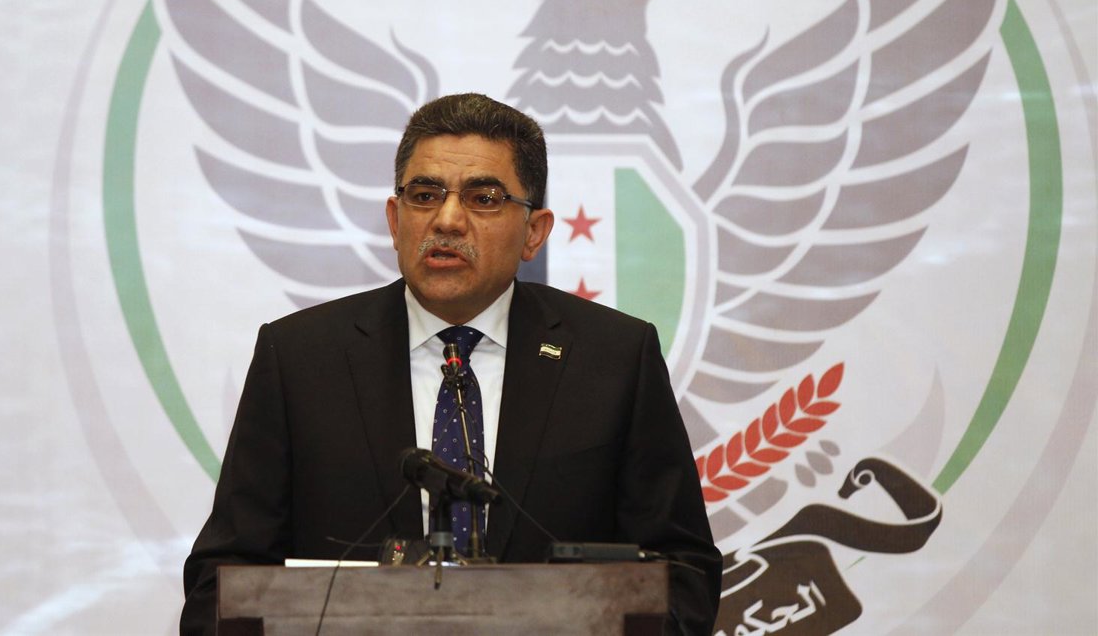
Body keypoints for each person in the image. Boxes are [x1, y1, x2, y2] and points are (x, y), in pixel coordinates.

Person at [180, 93, 722, 634]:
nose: (448, 219)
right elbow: (222, 580)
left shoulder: (614, 358)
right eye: (424, 195)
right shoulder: (299, 358)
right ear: (395, 220)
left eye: (483, 198)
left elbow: (682, 574)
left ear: (534, 231)